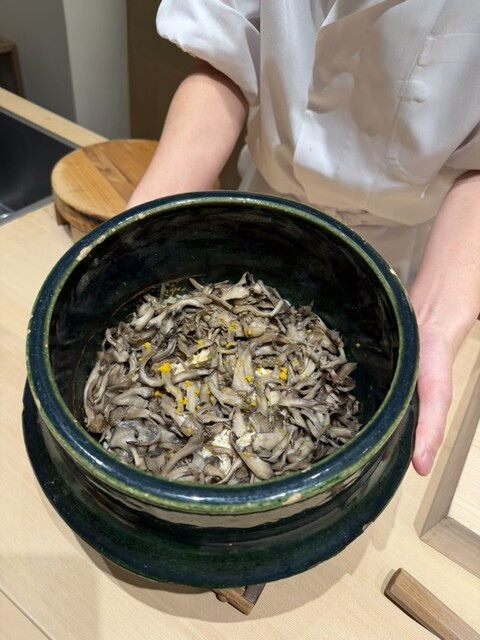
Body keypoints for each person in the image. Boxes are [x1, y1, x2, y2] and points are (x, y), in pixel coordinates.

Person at [127, 1, 480, 476]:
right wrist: (146, 221)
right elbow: (225, 50)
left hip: (411, 248)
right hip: (264, 205)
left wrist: (434, 320)